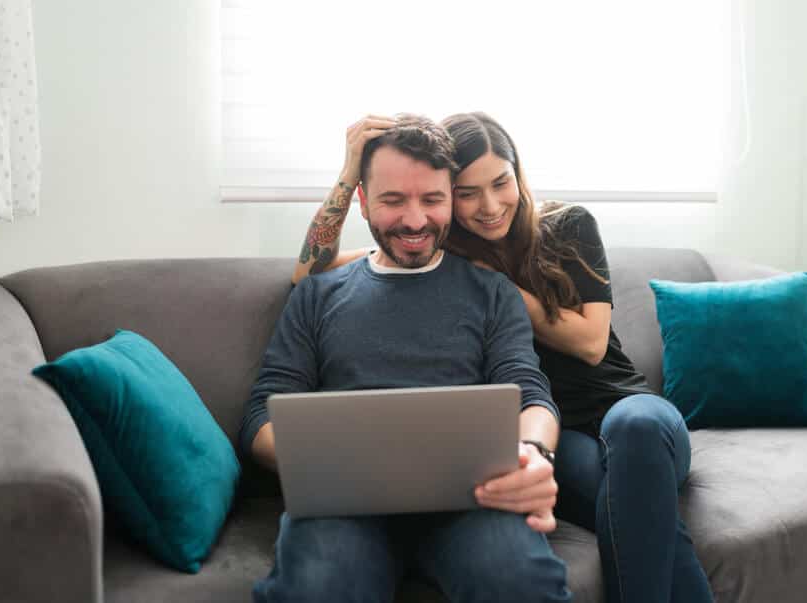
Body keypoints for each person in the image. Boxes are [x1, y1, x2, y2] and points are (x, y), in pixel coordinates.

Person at [293, 113, 715, 603]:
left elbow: (590, 342)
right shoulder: (440, 243)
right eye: (468, 192)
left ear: (519, 174)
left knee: (635, 434)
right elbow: (310, 272)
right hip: (560, 439)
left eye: (501, 182)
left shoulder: (568, 226)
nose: (490, 206)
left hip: (629, 413)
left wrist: (494, 282)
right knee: (633, 505)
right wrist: (349, 174)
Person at [243, 115, 572, 603]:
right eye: (393, 201)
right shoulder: (317, 295)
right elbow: (260, 416)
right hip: (342, 507)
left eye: (432, 200)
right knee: (319, 585)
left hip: (473, 503)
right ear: (363, 202)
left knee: (519, 580)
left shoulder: (492, 293)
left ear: (451, 200)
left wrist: (534, 453)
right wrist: (329, 460)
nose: (415, 221)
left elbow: (531, 394)